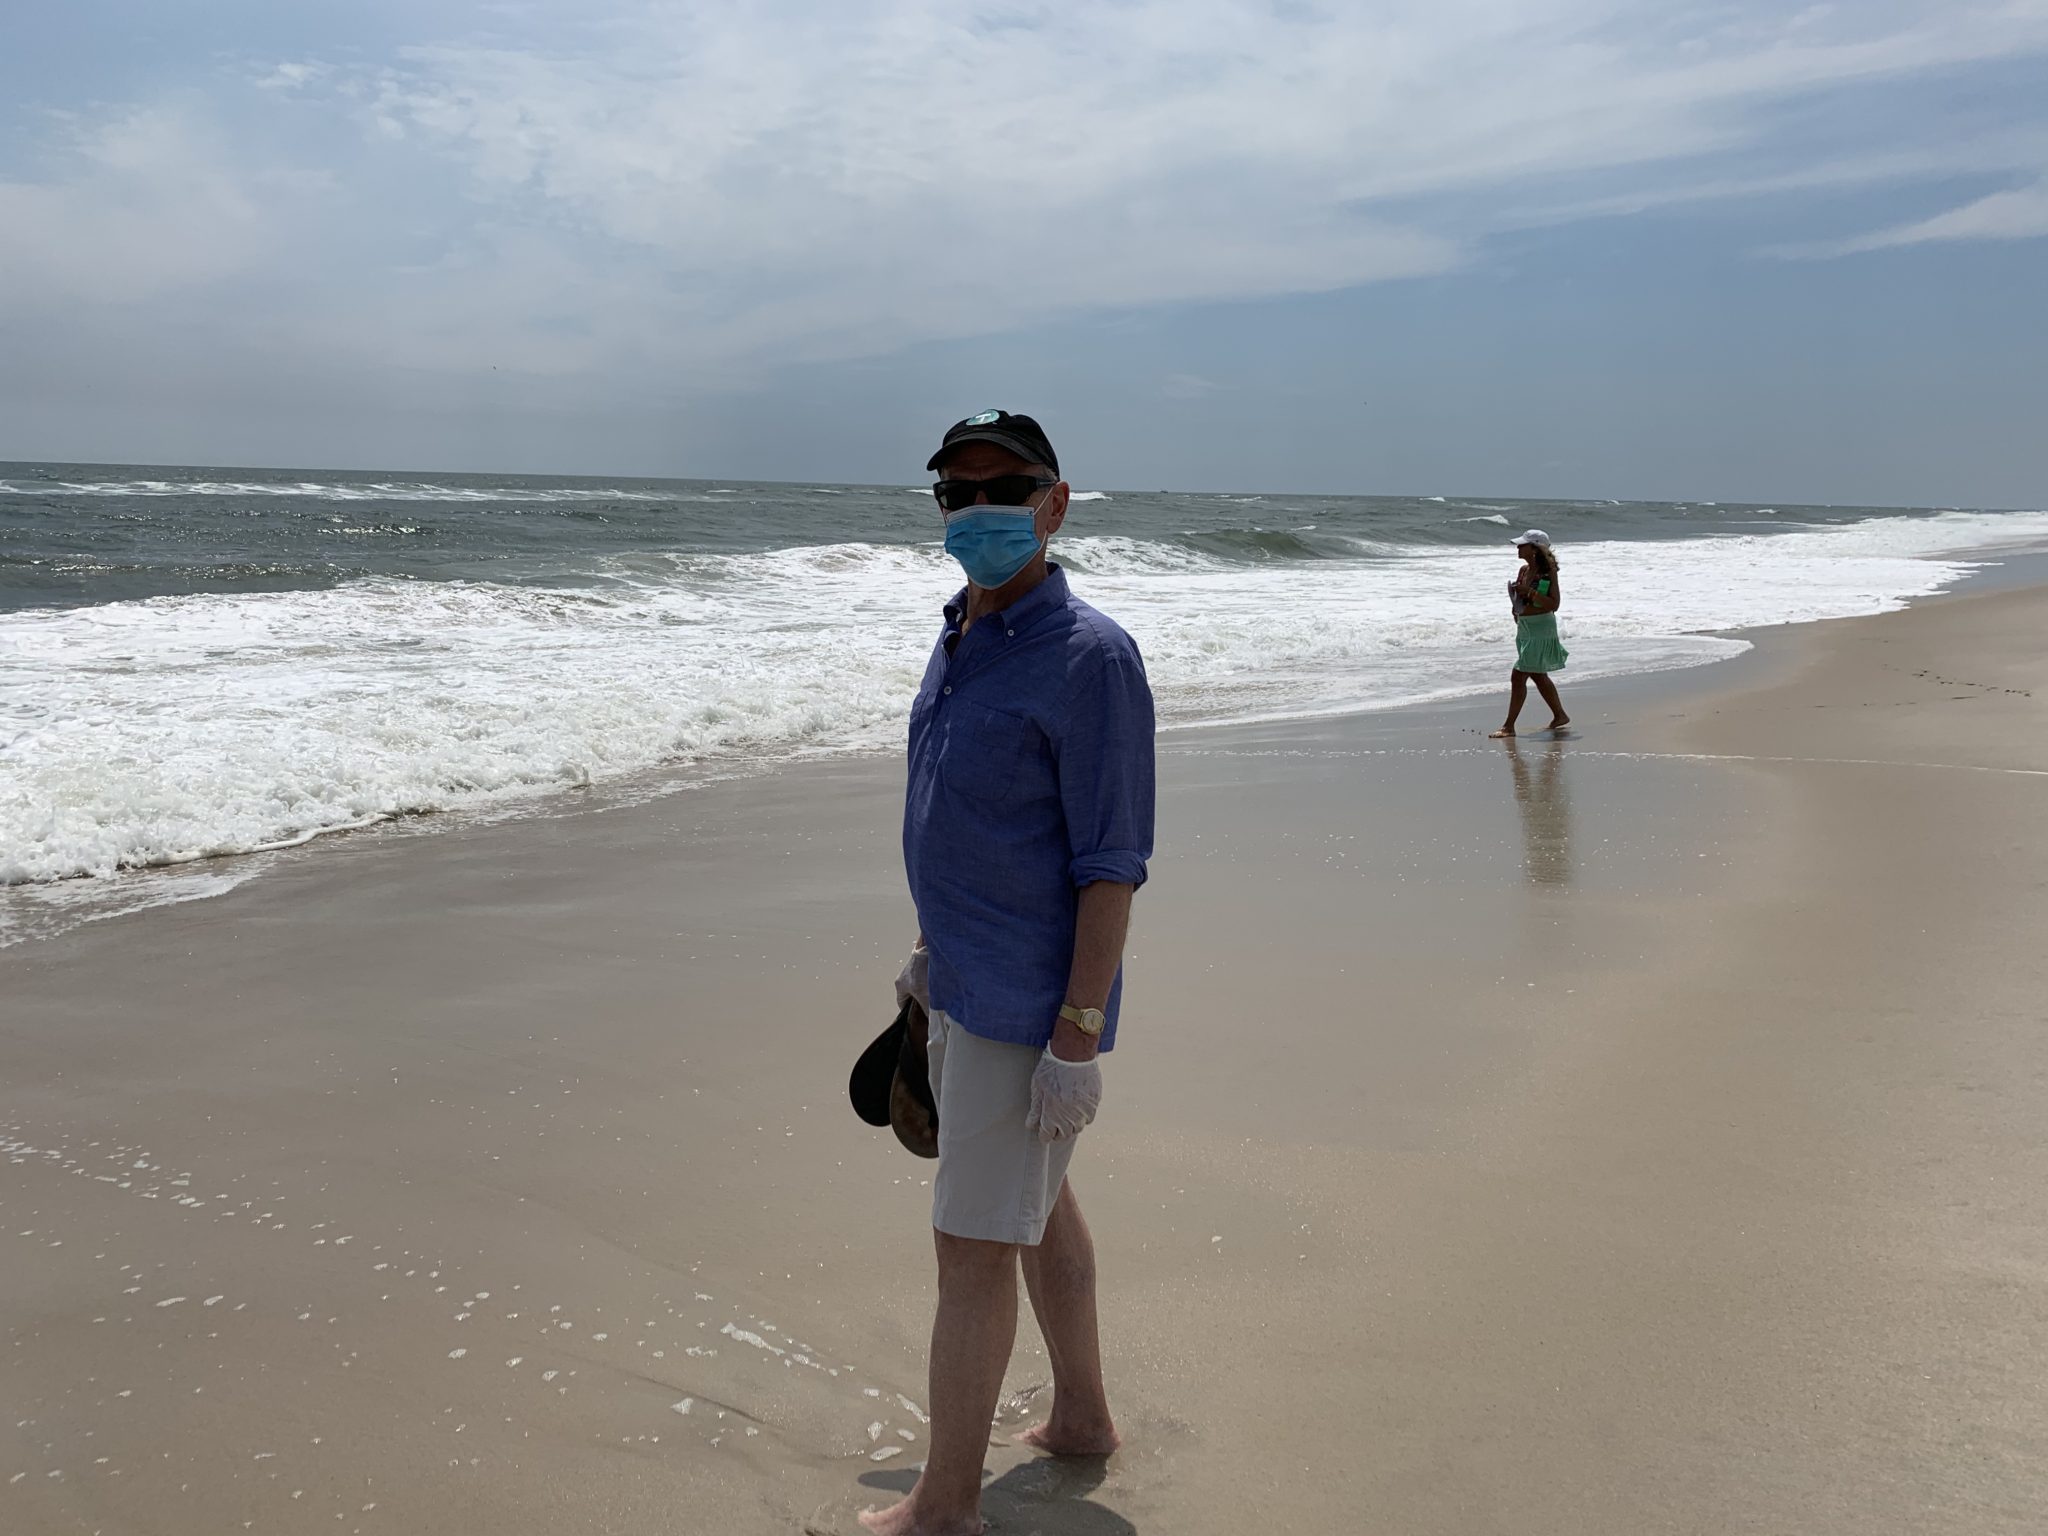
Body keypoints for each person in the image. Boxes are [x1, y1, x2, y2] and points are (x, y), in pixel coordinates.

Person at [866, 410, 1155, 1536]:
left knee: (972, 1243)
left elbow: (1109, 866)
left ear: (1054, 500)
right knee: (1035, 1207)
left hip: (1027, 1008)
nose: (976, 508)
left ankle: (944, 1508)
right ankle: (1080, 1416)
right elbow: (966, 823)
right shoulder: (958, 634)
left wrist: (1074, 1039)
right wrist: (928, 955)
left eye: (1004, 485)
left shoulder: (1089, 659)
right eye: (955, 490)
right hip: (959, 979)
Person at [1490, 529, 1570, 738]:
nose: (1518, 547)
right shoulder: (1523, 570)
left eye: (1522, 545)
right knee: (1537, 673)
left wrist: (1531, 593)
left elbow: (1555, 604)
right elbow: (1520, 599)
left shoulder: (1548, 572)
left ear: (1535, 549)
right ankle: (1560, 715)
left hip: (1541, 627)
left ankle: (1508, 726)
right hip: (1525, 627)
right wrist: (1515, 605)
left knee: (1518, 675)